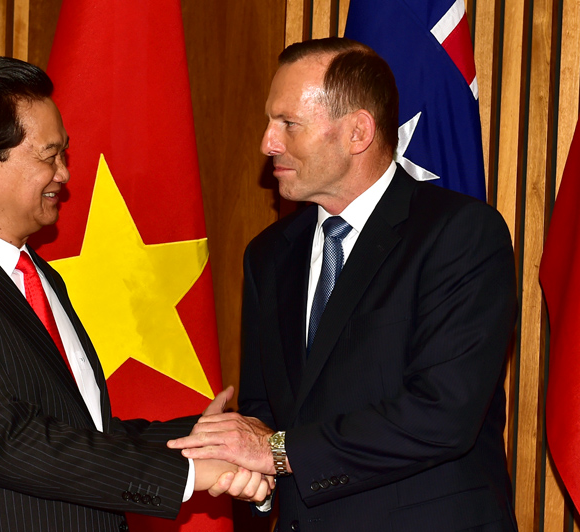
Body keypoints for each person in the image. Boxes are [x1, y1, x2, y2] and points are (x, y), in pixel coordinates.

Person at [0, 56, 268, 532]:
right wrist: (186, 475)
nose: (63, 174)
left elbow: (83, 433)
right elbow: (7, 442)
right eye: (49, 156)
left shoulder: (40, 276)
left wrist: (197, 438)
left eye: (64, 154)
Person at [168, 38, 518, 531]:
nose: (267, 142)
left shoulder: (458, 234)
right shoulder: (269, 255)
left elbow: (443, 414)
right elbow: (267, 416)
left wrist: (276, 452)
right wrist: (250, 473)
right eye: (270, 122)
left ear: (357, 132)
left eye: (288, 123)